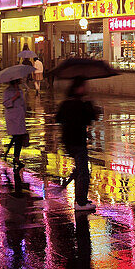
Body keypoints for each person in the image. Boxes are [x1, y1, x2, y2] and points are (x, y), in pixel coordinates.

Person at [55, 79, 100, 213]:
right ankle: (80, 202)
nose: (85, 89)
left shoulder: (66, 103)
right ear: (78, 88)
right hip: (77, 141)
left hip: (68, 141)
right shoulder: (80, 104)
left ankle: (80, 199)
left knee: (80, 170)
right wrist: (89, 105)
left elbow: (58, 118)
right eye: (83, 86)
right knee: (84, 173)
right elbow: (91, 118)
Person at [2, 78, 28, 166]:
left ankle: (12, 155)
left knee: (18, 137)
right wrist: (14, 98)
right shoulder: (7, 91)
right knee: (17, 136)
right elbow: (5, 103)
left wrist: (25, 112)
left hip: (20, 116)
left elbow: (23, 103)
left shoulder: (20, 90)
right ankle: (15, 157)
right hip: (12, 117)